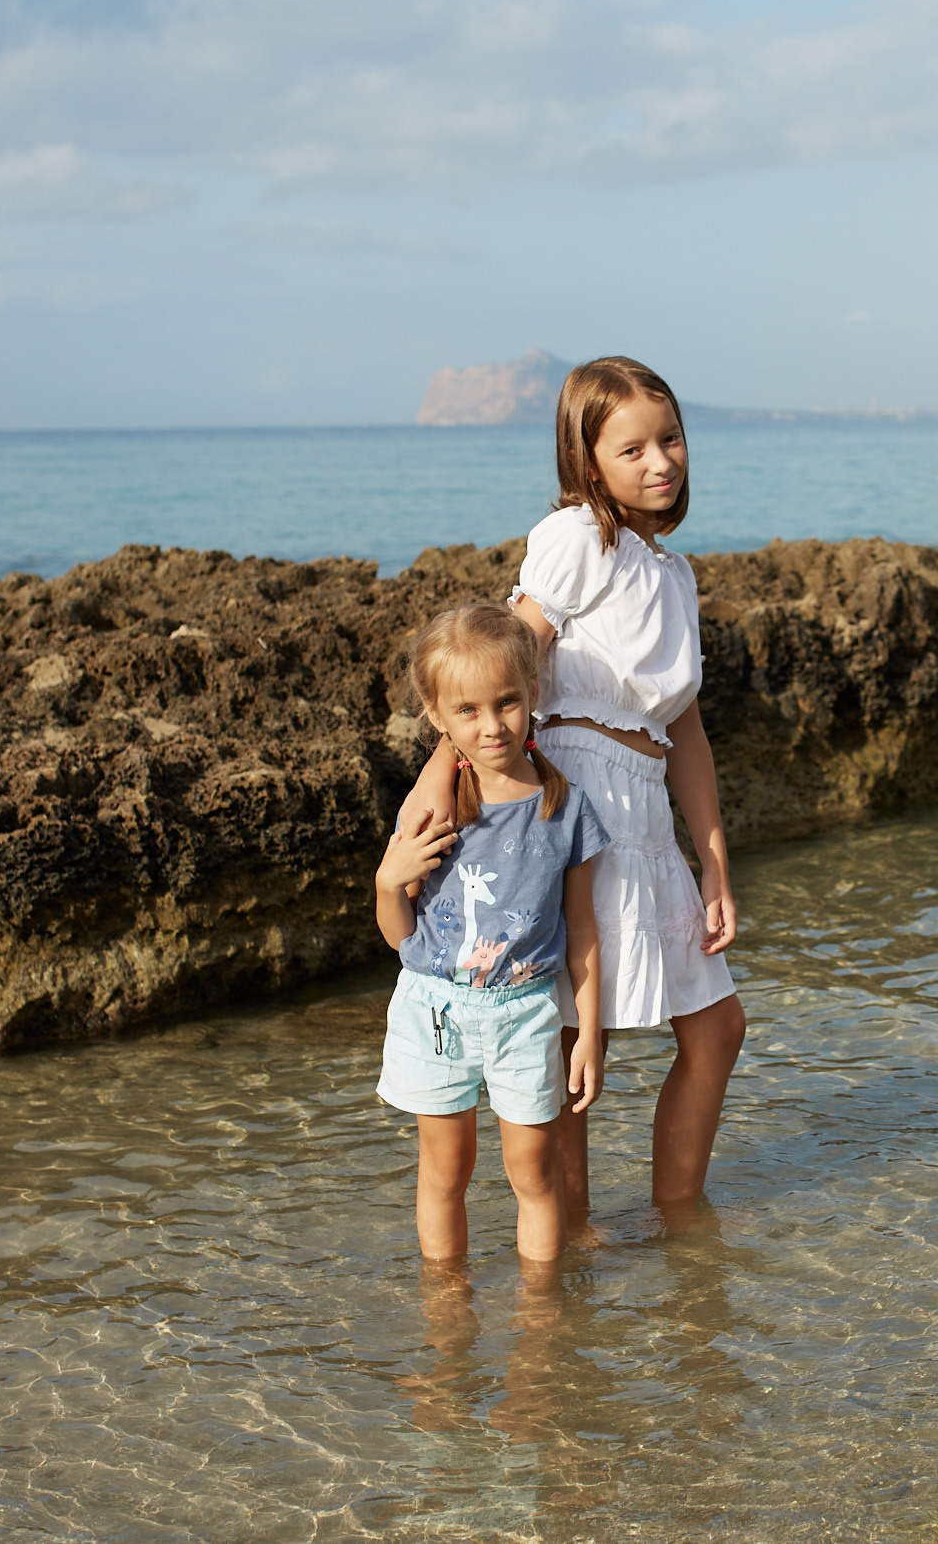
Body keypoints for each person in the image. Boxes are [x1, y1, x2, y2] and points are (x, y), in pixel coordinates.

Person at [398, 356, 744, 1222]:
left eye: (671, 440)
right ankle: (572, 1240)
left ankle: (678, 1221)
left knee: (716, 1027)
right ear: (589, 462)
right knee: (557, 1034)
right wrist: (446, 767)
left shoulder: (675, 574)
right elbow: (501, 666)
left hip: (646, 801)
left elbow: (689, 729)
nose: (661, 462)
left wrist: (714, 864)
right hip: (566, 787)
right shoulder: (577, 538)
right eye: (633, 449)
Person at [375, 602, 610, 1263]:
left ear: (534, 693)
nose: (491, 725)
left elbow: (583, 930)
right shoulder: (434, 808)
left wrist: (587, 1030)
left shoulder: (566, 809)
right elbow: (398, 937)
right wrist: (386, 883)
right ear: (437, 715)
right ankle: (448, 1306)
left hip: (526, 1013)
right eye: (468, 711)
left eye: (507, 702)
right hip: (434, 1008)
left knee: (533, 1171)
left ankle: (541, 1315)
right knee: (445, 1170)